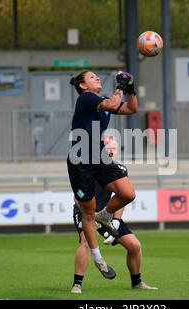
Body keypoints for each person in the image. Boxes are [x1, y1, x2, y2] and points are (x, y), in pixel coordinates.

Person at [67, 70, 138, 280]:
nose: (97, 78)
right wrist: (121, 85)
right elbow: (112, 103)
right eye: (91, 77)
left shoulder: (103, 100)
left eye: (97, 76)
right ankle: (98, 259)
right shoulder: (87, 98)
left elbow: (132, 109)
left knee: (128, 193)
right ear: (82, 86)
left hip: (98, 156)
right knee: (87, 213)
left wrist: (131, 89)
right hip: (80, 161)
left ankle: (105, 215)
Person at [71, 138, 158, 294]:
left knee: (135, 246)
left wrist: (116, 221)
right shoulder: (87, 167)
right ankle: (77, 285)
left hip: (106, 216)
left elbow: (121, 199)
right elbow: (77, 198)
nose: (111, 151)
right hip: (86, 214)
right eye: (108, 148)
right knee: (86, 242)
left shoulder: (119, 170)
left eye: (114, 149)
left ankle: (137, 282)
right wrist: (91, 219)